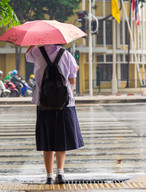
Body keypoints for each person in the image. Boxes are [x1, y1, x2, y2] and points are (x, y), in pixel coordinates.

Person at [26, 44, 84, 185]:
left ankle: (49, 176)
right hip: (64, 102)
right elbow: (72, 80)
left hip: (44, 101)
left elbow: (27, 57)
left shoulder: (35, 51)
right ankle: (60, 174)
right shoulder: (66, 55)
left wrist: (33, 43)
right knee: (61, 138)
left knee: (47, 139)